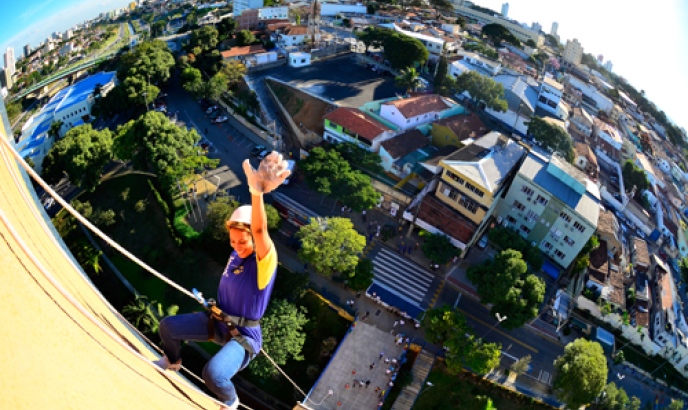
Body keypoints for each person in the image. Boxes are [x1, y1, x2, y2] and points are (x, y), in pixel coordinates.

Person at [154, 152, 291, 410]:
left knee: (213, 374)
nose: (237, 246)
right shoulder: (234, 255)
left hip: (245, 336)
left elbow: (260, 231)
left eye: (243, 241)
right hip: (218, 321)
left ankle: (230, 401)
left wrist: (257, 191)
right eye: (233, 240)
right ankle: (172, 362)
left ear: (255, 239)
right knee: (167, 328)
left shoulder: (264, 263)